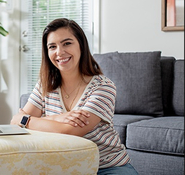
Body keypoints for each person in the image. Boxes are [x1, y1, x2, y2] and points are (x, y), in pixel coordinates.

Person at [10, 18, 138, 175]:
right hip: (62, 167)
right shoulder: (46, 84)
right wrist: (59, 118)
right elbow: (15, 124)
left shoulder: (103, 87)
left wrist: (26, 120)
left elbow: (69, 132)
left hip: (106, 167)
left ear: (81, 46)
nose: (60, 52)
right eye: (52, 47)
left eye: (67, 43)